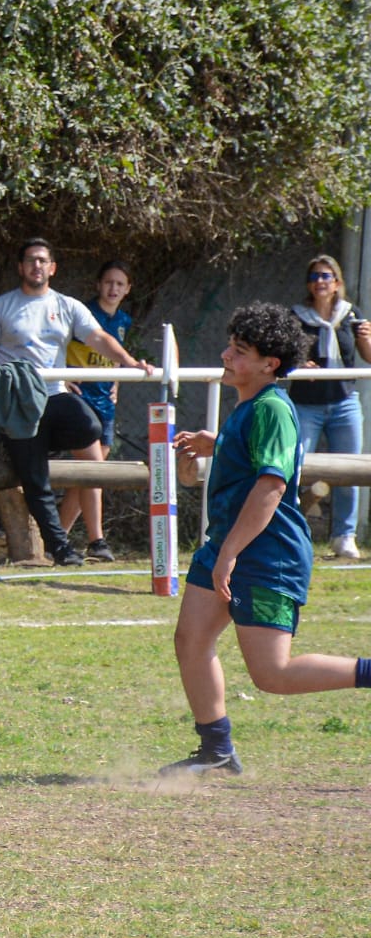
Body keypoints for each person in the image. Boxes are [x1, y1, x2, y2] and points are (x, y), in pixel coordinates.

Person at [162, 303, 371, 777]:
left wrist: (230, 555)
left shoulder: (273, 408)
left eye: (239, 351)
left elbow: (272, 486)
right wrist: (214, 446)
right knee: (191, 640)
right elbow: (252, 458)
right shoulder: (249, 406)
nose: (225, 355)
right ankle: (215, 751)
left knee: (272, 674)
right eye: (230, 346)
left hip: (265, 554)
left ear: (268, 364)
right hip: (229, 545)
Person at [0, 238, 153, 567]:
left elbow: (98, 337)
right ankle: (61, 548)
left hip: (54, 395)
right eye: (30, 260)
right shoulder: (1, 307)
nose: (36, 266)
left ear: (52, 268)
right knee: (35, 479)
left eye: (42, 261)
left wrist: (130, 363)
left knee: (89, 427)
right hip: (17, 404)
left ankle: (39, 449)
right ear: (20, 267)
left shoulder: (67, 306)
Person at [288, 254, 371, 560]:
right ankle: (295, 534)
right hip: (306, 404)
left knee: (349, 470)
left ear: (337, 283)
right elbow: (284, 356)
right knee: (297, 468)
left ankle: (344, 536)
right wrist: (299, 362)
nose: (319, 282)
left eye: (325, 276)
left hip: (344, 402)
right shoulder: (296, 317)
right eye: (314, 277)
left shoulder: (351, 315)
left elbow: (367, 357)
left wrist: (367, 338)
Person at [59, 260, 137, 562]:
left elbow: (115, 357)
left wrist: (117, 382)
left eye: (120, 284)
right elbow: (56, 346)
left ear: (128, 289)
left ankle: (56, 538)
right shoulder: (83, 316)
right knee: (93, 473)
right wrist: (61, 376)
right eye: (108, 282)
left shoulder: (123, 321)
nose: (113, 288)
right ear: (98, 285)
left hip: (105, 402)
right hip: (81, 400)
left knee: (88, 476)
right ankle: (97, 541)